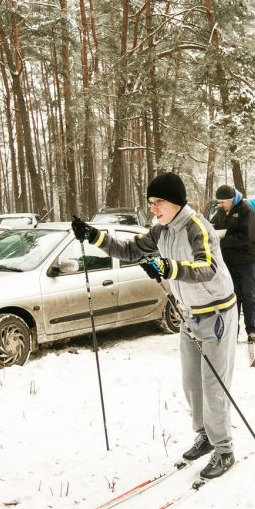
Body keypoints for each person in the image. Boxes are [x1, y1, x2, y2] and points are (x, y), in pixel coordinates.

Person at [71, 172, 238, 479]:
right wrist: (94, 236)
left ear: (174, 201)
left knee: (214, 385)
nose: (153, 209)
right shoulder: (162, 230)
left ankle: (224, 449)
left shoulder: (197, 227)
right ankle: (205, 436)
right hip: (189, 315)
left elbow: (208, 267)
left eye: (158, 202)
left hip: (216, 314)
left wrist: (168, 267)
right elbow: (131, 250)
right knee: (192, 383)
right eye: (150, 203)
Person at [210, 185, 255, 343]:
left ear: (232, 199)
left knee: (249, 296)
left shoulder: (247, 211)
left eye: (224, 202)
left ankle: (251, 330)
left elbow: (247, 237)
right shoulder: (220, 212)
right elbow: (213, 226)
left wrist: (223, 242)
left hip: (247, 261)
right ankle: (233, 331)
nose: (221, 205)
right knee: (233, 297)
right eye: (219, 202)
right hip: (229, 263)